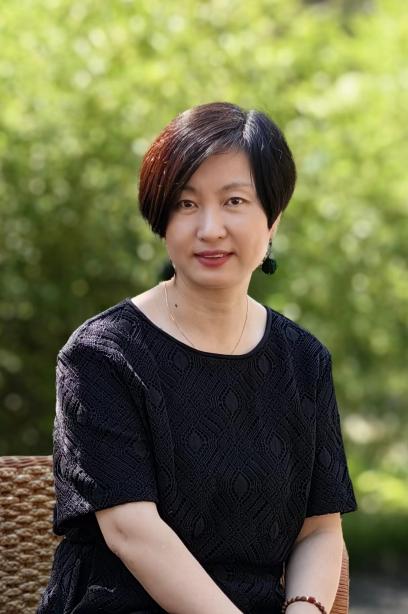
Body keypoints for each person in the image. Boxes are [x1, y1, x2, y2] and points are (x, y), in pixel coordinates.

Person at [37, 101, 357, 614]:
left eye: (234, 201)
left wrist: (303, 608)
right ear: (162, 219)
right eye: (186, 204)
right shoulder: (102, 354)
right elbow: (132, 531)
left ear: (273, 218)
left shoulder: (303, 361)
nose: (210, 228)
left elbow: (320, 529)